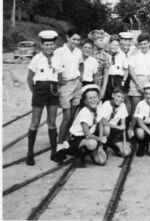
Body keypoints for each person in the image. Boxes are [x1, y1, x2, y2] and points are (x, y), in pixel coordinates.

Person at [26, 30, 62, 165]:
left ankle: (54, 152)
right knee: (35, 121)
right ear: (41, 45)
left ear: (55, 44)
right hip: (39, 90)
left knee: (52, 121)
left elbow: (59, 75)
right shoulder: (37, 58)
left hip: (53, 90)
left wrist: (55, 86)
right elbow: (29, 78)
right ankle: (30, 154)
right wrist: (35, 93)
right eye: (46, 44)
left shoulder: (58, 58)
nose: (49, 47)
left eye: (51, 44)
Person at [57, 84, 108, 167]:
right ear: (85, 101)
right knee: (92, 144)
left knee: (102, 161)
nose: (93, 100)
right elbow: (87, 134)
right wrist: (100, 139)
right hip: (76, 139)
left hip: (89, 137)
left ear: (98, 99)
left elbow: (101, 124)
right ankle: (79, 155)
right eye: (90, 98)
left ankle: (91, 152)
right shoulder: (85, 112)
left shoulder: (98, 108)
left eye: (95, 97)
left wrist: (100, 146)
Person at [54, 29, 84, 152]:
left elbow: (81, 64)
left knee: (72, 115)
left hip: (76, 83)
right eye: (73, 39)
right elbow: (55, 68)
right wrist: (59, 81)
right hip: (65, 85)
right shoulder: (59, 52)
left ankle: (66, 139)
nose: (76, 42)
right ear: (67, 38)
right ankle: (59, 142)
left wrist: (81, 76)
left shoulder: (78, 52)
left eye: (78, 40)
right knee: (66, 116)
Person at [128, 33, 150, 118]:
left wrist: (145, 83)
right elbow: (131, 69)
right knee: (136, 107)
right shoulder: (134, 55)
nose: (143, 46)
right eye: (141, 44)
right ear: (138, 45)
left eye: (145, 43)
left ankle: (146, 127)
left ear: (149, 43)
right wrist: (138, 83)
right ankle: (133, 129)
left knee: (148, 106)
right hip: (135, 81)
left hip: (148, 81)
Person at [97, 86, 131, 158]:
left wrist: (124, 142)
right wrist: (117, 127)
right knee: (107, 128)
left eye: (122, 98)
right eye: (118, 96)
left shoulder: (122, 105)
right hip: (103, 129)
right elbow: (102, 122)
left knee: (126, 152)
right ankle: (103, 144)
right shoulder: (106, 104)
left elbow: (123, 126)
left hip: (114, 133)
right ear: (113, 95)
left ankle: (111, 144)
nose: (120, 99)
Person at [104, 35, 128, 101]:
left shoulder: (122, 54)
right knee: (107, 97)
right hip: (108, 78)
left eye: (117, 45)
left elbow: (126, 69)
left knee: (118, 97)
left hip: (118, 79)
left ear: (119, 46)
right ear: (109, 44)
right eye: (113, 45)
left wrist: (123, 81)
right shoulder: (105, 54)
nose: (114, 47)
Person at [91, 28, 111, 99]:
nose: (102, 42)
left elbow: (106, 74)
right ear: (93, 41)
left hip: (99, 82)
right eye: (99, 40)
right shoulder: (88, 53)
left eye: (102, 40)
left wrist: (103, 90)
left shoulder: (104, 55)